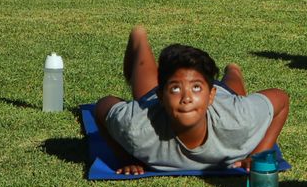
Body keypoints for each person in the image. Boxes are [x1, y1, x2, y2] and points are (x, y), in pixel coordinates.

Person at [95, 26, 290, 174]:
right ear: (162, 96)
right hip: (160, 103)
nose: (186, 98)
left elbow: (281, 99)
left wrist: (257, 156)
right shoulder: (137, 127)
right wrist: (127, 158)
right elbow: (103, 106)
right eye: (176, 89)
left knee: (232, 94)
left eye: (195, 88)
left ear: (210, 95)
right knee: (145, 88)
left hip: (223, 100)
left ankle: (233, 69)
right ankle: (140, 37)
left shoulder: (238, 119)